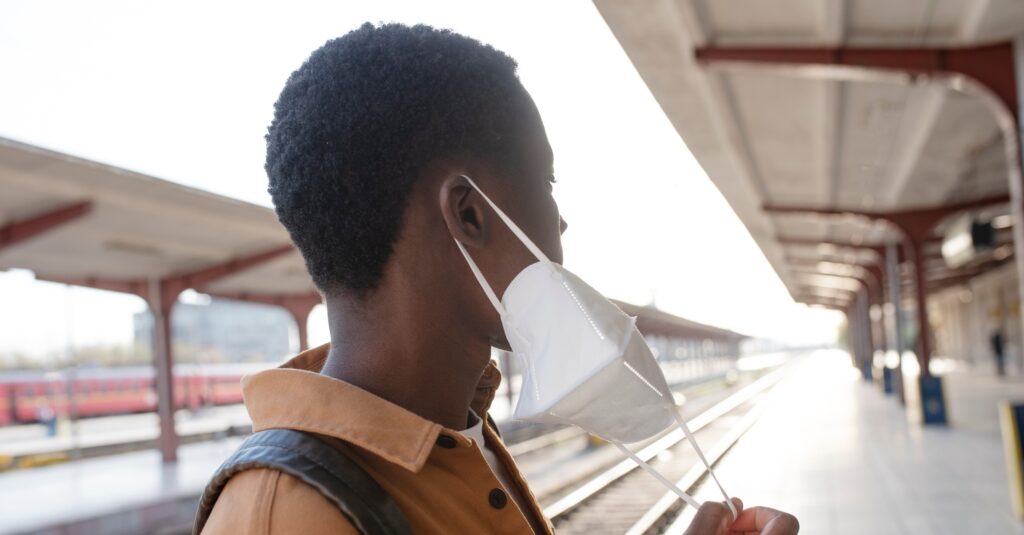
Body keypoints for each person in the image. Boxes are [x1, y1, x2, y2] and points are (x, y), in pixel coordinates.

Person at [197, 22, 798, 535]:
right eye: (547, 183)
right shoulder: (284, 516)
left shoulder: (457, 435)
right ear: (469, 214)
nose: (560, 217)